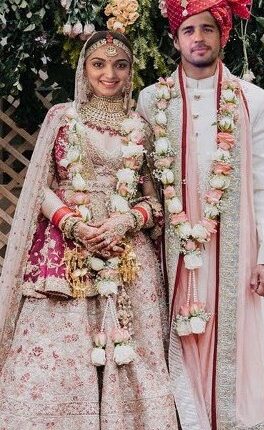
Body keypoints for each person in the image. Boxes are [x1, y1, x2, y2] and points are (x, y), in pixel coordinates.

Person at [0, 31, 177, 429]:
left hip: (126, 253)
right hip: (67, 249)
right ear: (84, 69)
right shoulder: (62, 117)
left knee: (133, 346)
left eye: (120, 65)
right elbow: (39, 186)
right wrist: (73, 224)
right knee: (60, 344)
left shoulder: (141, 127)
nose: (109, 74)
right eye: (99, 64)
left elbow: (155, 201)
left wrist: (125, 221)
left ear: (130, 72)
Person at [136, 0, 264, 428]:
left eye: (207, 29)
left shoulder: (253, 100)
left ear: (224, 35)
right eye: (189, 30)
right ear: (175, 39)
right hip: (170, 247)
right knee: (175, 333)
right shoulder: (151, 100)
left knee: (233, 334)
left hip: (235, 248)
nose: (198, 39)